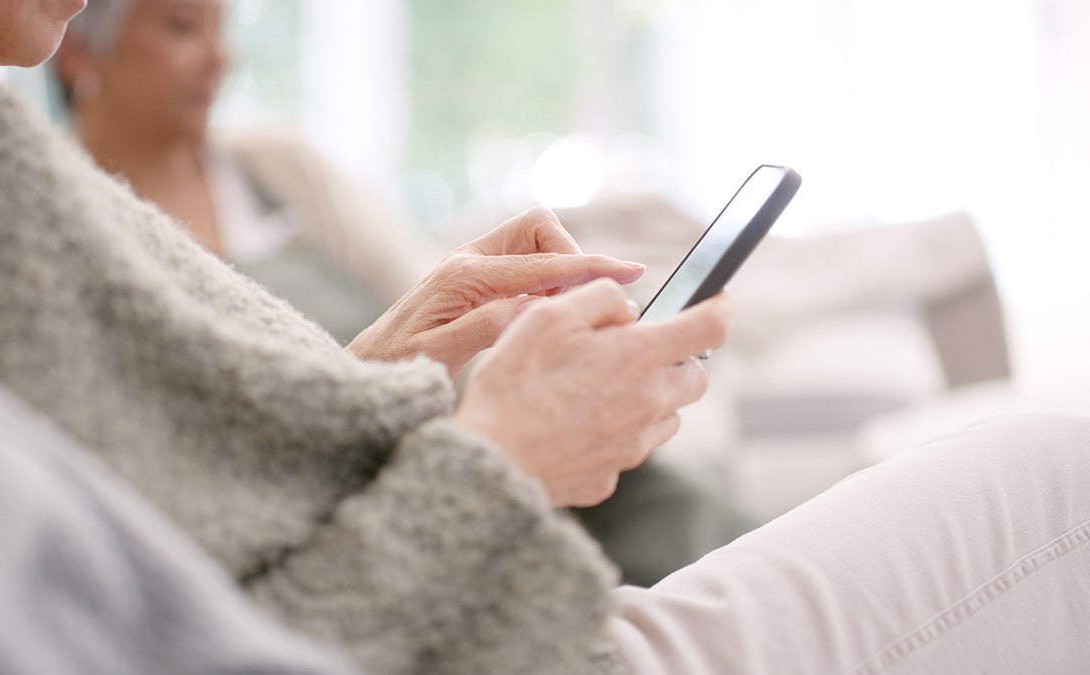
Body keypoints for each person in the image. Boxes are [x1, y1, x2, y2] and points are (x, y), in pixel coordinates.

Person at [0, 3, 1088, 675]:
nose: (218, 53)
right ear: (99, 65)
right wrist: (502, 454)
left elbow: (162, 523)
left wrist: (384, 364)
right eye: (174, 25)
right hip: (506, 643)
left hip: (492, 607)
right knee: (1061, 480)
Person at [50, 0, 755, 586]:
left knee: (717, 544)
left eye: (223, 28)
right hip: (395, 506)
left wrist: (540, 348)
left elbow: (426, 290)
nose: (220, 57)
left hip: (504, 435)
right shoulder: (71, 229)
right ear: (79, 51)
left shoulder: (278, 170)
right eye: (183, 28)